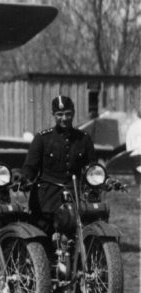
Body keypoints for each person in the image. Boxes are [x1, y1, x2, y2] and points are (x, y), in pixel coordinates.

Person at [21, 95, 97, 233]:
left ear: (73, 113)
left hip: (74, 196)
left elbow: (93, 169)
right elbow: (30, 167)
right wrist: (24, 179)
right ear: (53, 115)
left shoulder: (84, 139)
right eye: (59, 114)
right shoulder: (42, 138)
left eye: (68, 114)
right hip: (46, 199)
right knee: (42, 240)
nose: (64, 118)